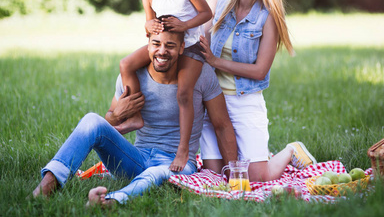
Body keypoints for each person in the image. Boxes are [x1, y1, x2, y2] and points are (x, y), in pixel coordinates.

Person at [32, 29, 238, 206]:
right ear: (147, 43)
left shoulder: (200, 75)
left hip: (177, 164)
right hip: (135, 158)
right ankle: (46, 188)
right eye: (156, 44)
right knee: (91, 120)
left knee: (157, 173)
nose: (162, 51)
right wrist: (116, 114)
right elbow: (108, 123)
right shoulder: (132, 77)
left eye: (170, 46)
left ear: (182, 47)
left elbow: (222, 125)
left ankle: (110, 201)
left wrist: (234, 177)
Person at [199, 0, 316, 182]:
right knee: (214, 175)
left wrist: (215, 61)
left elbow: (260, 70)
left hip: (245, 101)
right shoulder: (217, 3)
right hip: (213, 102)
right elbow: (196, 42)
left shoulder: (267, 17)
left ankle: (291, 149)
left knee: (257, 177)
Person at [120, 0, 212, 172]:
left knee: (183, 94)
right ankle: (135, 115)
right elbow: (150, 29)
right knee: (126, 64)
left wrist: (185, 25)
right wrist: (147, 25)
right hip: (164, 47)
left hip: (190, 47)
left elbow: (206, 14)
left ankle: (183, 150)